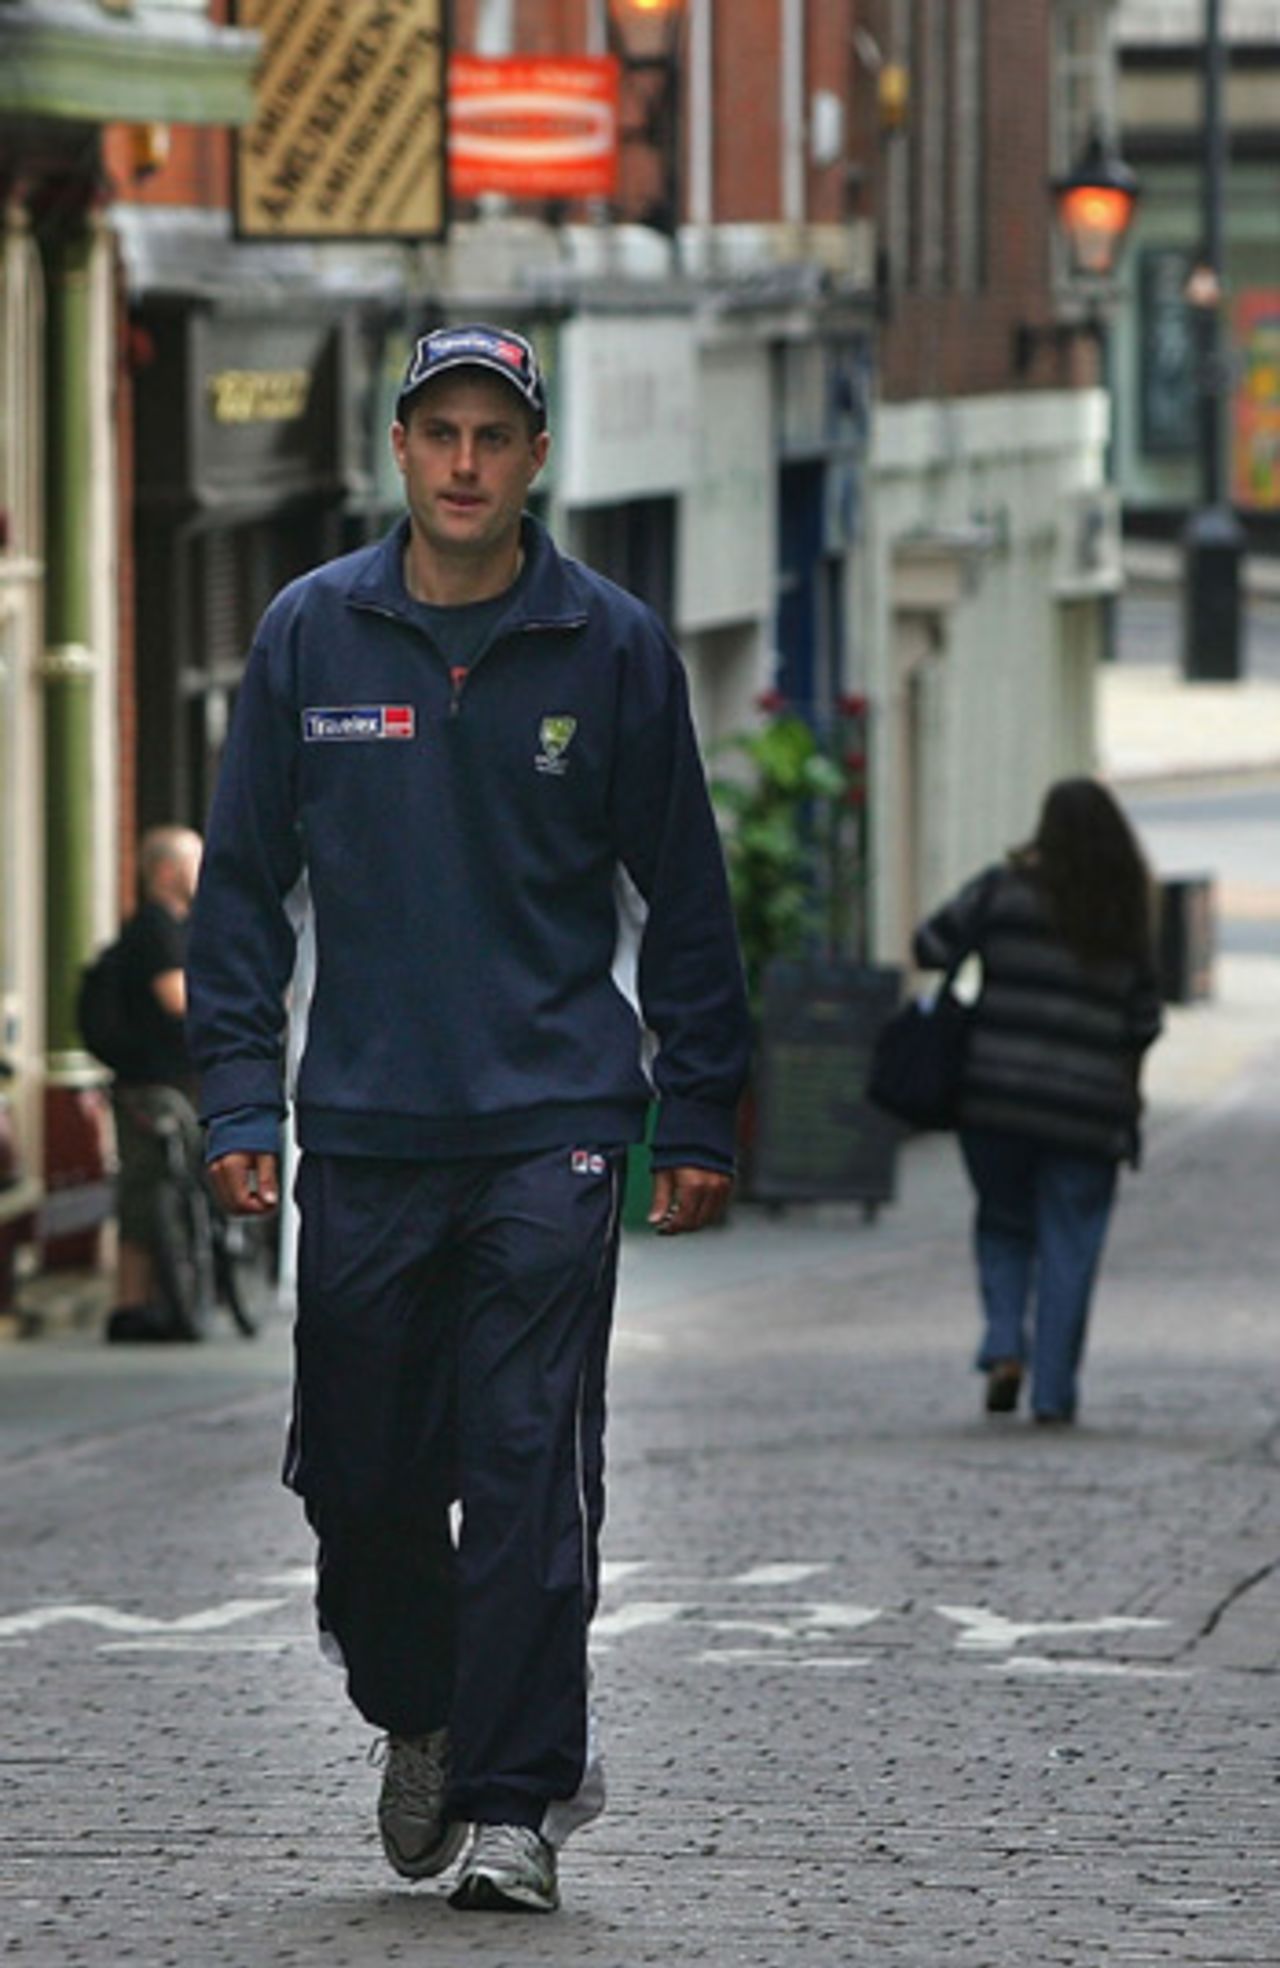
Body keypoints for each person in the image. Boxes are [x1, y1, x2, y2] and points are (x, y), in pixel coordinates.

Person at [185, 323, 750, 1915]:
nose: (464, 463)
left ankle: (514, 1801)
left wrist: (697, 1113)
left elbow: (687, 896)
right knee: (358, 1477)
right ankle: (421, 1710)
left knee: (522, 1468)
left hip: (552, 1120)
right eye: (439, 432)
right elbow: (240, 894)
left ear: (536, 460)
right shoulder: (311, 634)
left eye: (494, 438)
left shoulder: (611, 645)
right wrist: (239, 1095)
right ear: (399, 448)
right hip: (367, 1127)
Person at [912, 777, 1163, 1426]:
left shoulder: (1002, 891)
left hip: (995, 1097)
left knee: (1002, 1222)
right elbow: (1144, 1020)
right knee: (1070, 1244)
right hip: (1088, 1110)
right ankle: (1053, 1391)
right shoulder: (1124, 911)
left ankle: (1003, 1346)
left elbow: (929, 944)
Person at [105, 825, 205, 1343]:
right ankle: (131, 1305)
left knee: (159, 1186)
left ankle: (151, 1301)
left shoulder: (179, 927)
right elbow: (176, 998)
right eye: (193, 862)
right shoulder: (155, 928)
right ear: (166, 871)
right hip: (150, 1084)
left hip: (169, 1079)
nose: (202, 872)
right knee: (147, 1187)